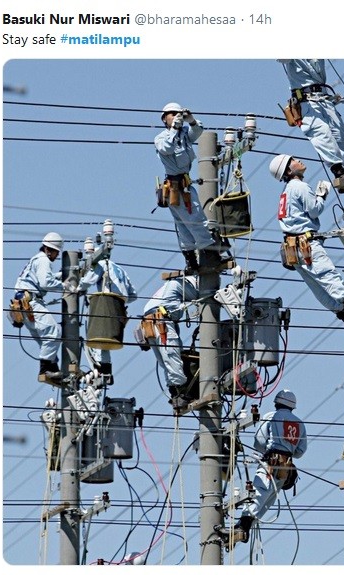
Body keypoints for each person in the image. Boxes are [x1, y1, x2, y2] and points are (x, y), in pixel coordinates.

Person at [270, 153, 344, 335]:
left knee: (318, 288)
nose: (298, 160)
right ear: (288, 171)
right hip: (306, 244)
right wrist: (321, 195)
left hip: (292, 248)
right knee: (329, 277)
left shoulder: (286, 191)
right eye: (293, 161)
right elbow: (314, 210)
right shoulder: (299, 186)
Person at [154, 102, 229, 274]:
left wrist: (191, 120)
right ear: (164, 119)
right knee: (196, 220)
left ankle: (191, 262)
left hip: (185, 186)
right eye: (172, 114)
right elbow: (167, 148)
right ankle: (211, 257)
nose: (176, 116)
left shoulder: (184, 134)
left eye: (178, 113)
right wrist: (174, 129)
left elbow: (198, 131)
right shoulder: (161, 138)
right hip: (175, 188)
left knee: (185, 225)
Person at [277, 59, 344, 192]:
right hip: (306, 102)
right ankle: (338, 170)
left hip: (324, 99)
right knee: (322, 134)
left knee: (342, 137)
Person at [231, 389, 308, 547]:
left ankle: (243, 526)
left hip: (270, 464)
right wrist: (288, 448)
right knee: (269, 499)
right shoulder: (299, 423)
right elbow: (300, 451)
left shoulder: (271, 416)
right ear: (292, 406)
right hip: (286, 469)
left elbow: (259, 442)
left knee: (258, 493)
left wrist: (267, 449)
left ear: (276, 403)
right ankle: (246, 528)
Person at [13, 232, 70, 382]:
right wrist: (65, 286)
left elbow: (41, 278)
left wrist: (59, 275)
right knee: (53, 332)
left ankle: (52, 368)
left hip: (23, 304)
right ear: (49, 249)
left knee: (45, 339)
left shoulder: (36, 259)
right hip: (31, 302)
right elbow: (45, 283)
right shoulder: (44, 260)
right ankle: (45, 370)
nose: (57, 255)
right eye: (56, 252)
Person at [77, 240, 138, 378]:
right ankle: (106, 369)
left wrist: (74, 288)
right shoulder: (120, 269)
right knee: (107, 339)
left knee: (97, 335)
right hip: (120, 311)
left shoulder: (101, 264)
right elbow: (133, 295)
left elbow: (88, 281)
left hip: (107, 305)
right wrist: (120, 300)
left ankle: (100, 367)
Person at [140, 275, 199, 406]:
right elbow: (200, 295)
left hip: (150, 324)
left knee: (165, 361)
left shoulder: (165, 289)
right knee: (172, 356)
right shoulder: (178, 284)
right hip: (162, 323)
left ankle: (174, 392)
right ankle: (181, 392)